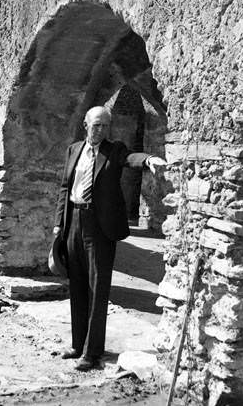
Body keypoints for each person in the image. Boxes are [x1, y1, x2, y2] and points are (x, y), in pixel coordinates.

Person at [53, 106, 166, 371]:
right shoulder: (74, 150)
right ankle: (77, 343)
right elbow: (64, 188)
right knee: (78, 284)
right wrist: (59, 225)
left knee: (98, 287)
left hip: (100, 227)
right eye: (96, 125)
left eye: (105, 125)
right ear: (85, 125)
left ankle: (92, 352)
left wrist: (148, 159)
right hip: (73, 222)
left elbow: (130, 158)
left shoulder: (113, 150)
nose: (101, 130)